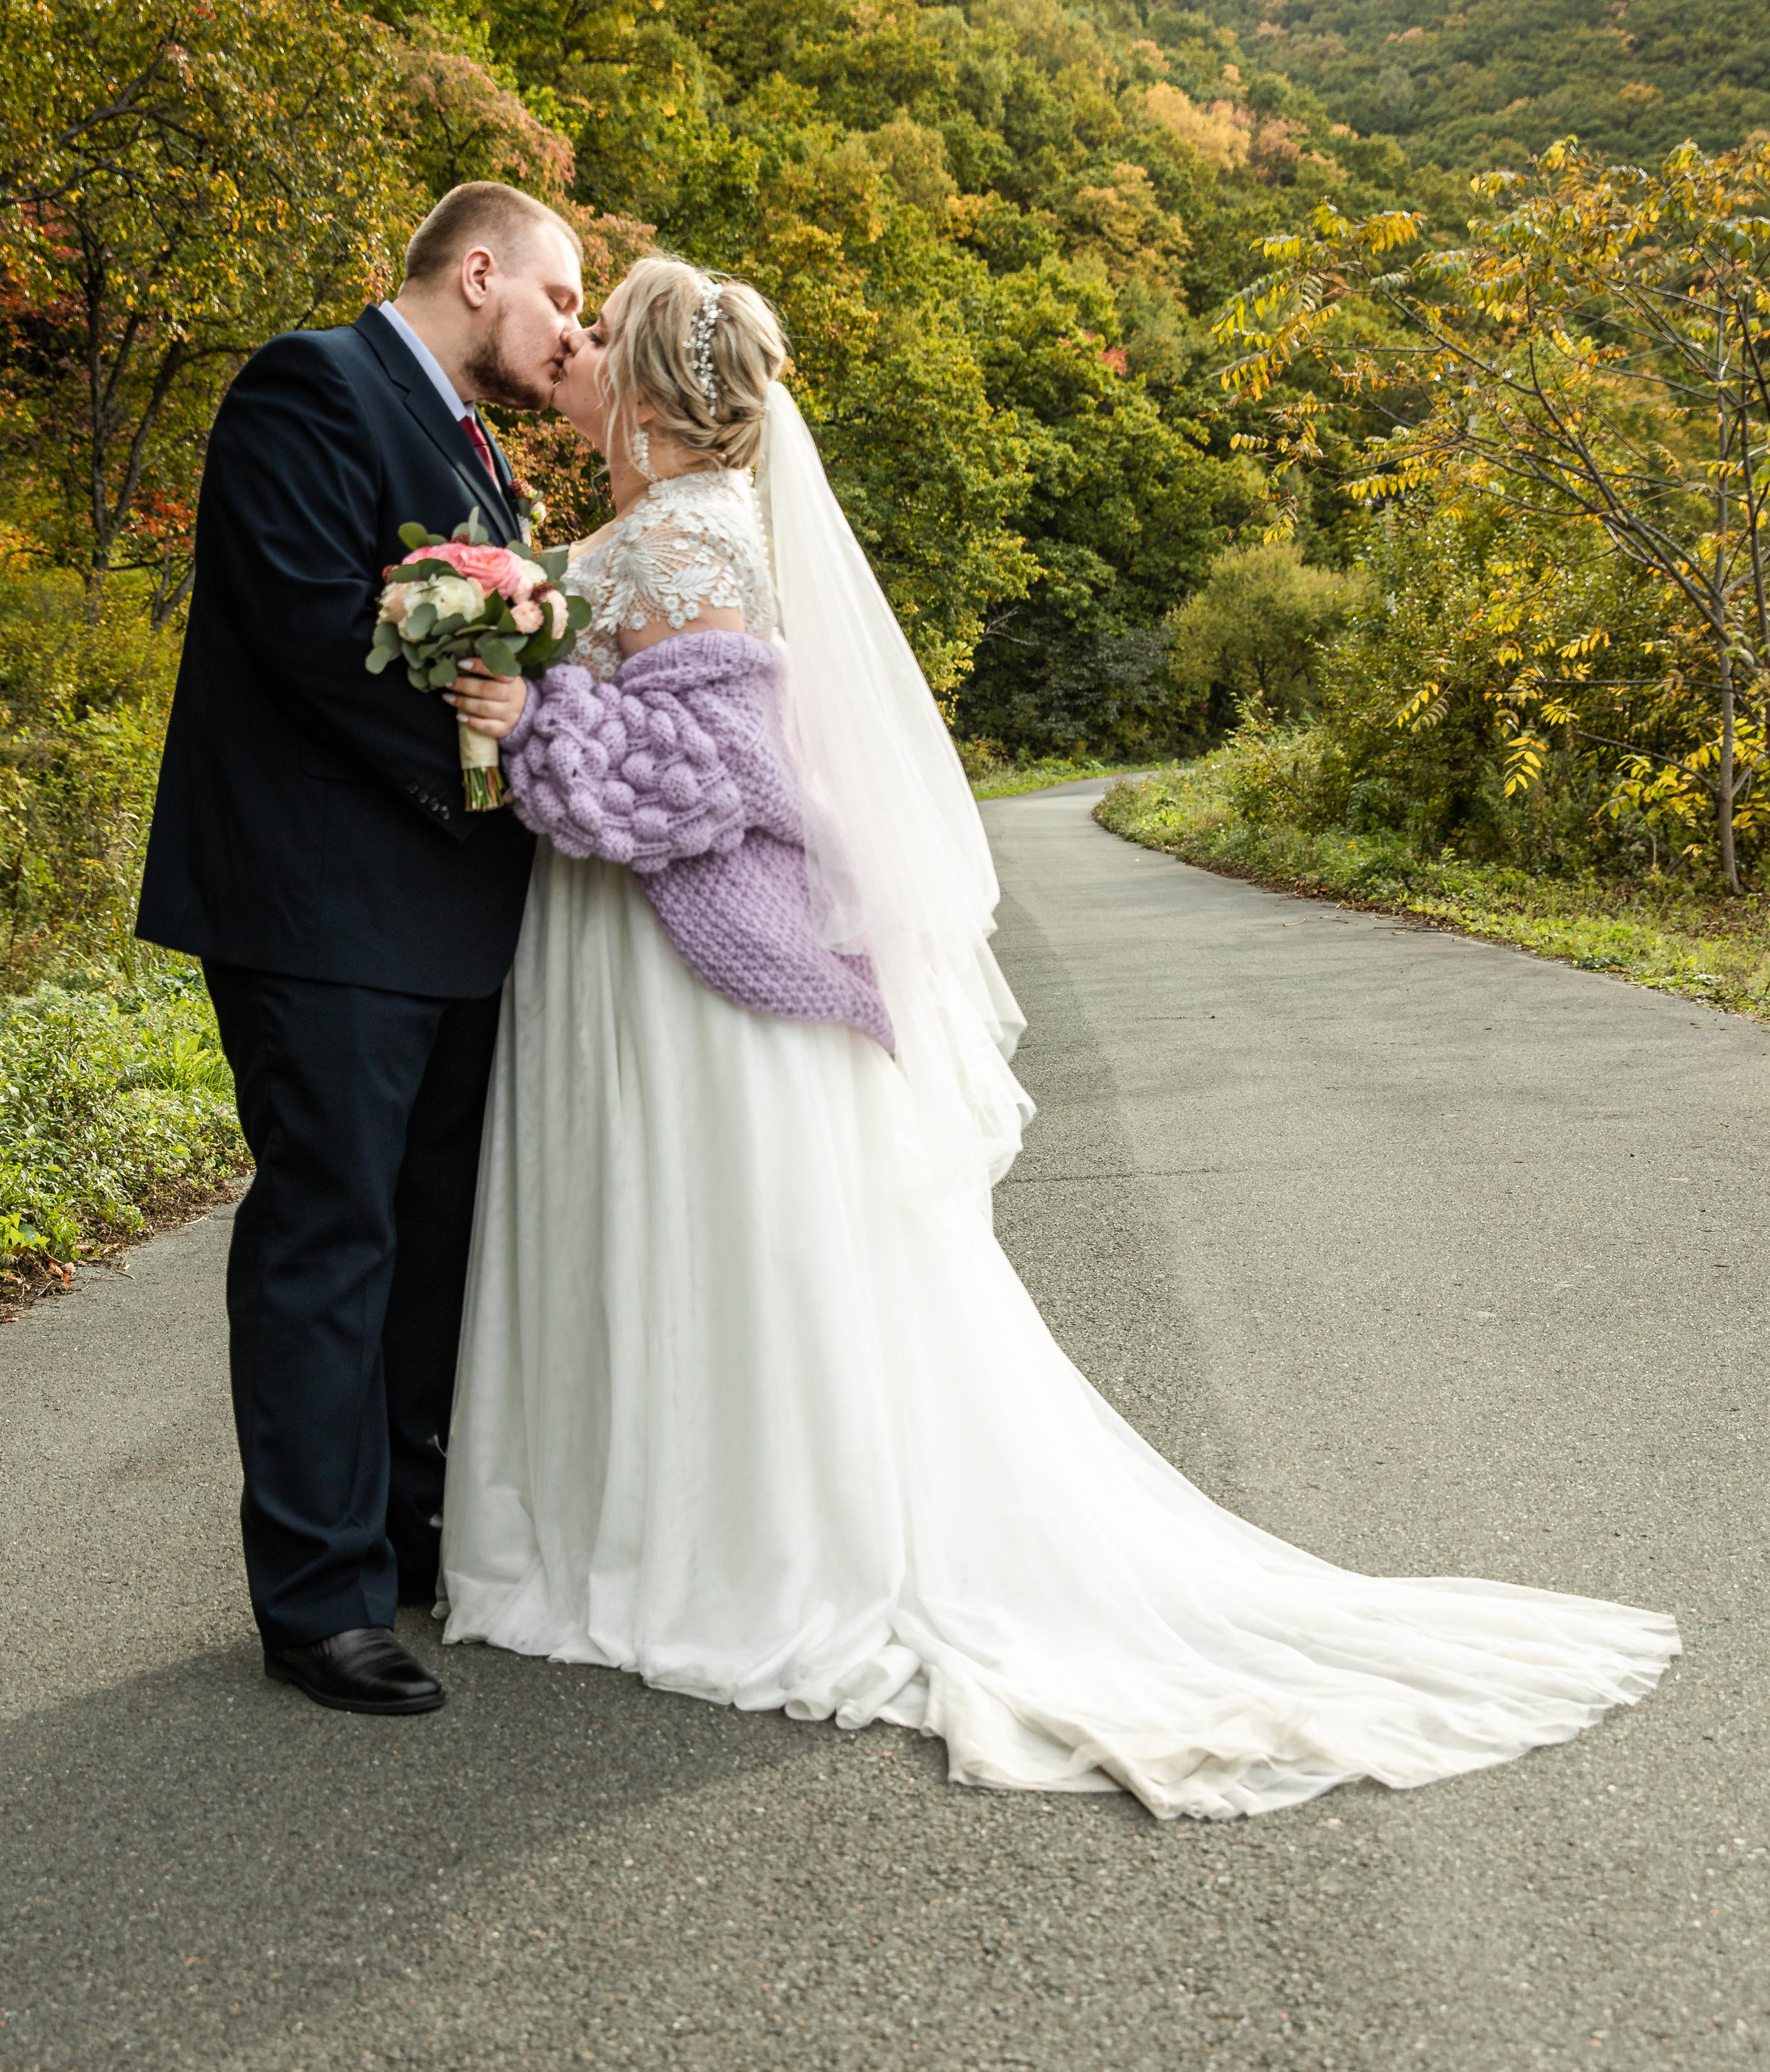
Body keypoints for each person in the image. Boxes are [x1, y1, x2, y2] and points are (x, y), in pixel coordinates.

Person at [439, 252, 1679, 1820]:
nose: (581, 349)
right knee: (689, 1241)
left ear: (653, 389)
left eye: (601, 334)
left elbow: (708, 774)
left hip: (676, 961)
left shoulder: (687, 531)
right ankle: (656, 1522)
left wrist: (531, 716)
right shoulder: (663, 528)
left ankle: (710, 1541)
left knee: (704, 1237)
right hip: (615, 947)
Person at [137, 180, 584, 1717]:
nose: (570, 335)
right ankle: (315, 1597)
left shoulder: (483, 454)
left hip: (453, 906)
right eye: (561, 304)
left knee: (433, 1236)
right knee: (332, 1235)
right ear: (479, 272)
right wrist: (490, 741)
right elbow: (309, 623)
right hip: (317, 896)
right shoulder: (307, 384)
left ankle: (406, 1532)